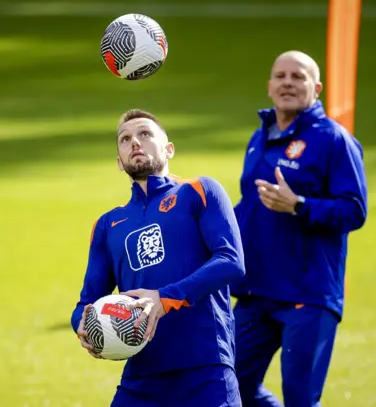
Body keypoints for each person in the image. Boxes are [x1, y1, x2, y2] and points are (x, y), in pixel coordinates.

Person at [70, 109, 246, 407]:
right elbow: (86, 303)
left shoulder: (200, 191)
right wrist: (83, 326)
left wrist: (162, 299)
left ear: (169, 148)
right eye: (125, 139)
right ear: (119, 161)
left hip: (205, 370)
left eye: (145, 134)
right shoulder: (107, 225)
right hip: (141, 377)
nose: (135, 142)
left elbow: (231, 261)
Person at [231, 50, 368, 407]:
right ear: (269, 86)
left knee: (301, 399)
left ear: (317, 88)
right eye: (281, 76)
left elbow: (354, 210)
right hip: (255, 292)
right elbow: (251, 206)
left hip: (307, 294)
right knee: (226, 386)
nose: (288, 82)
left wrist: (300, 205)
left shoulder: (334, 140)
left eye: (298, 76)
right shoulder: (258, 138)